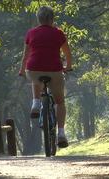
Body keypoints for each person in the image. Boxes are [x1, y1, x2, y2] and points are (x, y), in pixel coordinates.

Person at [19, 6, 72, 148]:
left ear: (39, 19)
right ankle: (61, 134)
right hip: (54, 70)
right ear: (51, 19)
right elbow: (67, 54)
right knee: (60, 102)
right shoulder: (59, 33)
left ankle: (35, 103)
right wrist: (68, 66)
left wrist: (22, 71)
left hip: (33, 69)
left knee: (36, 77)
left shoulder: (31, 33)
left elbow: (25, 56)